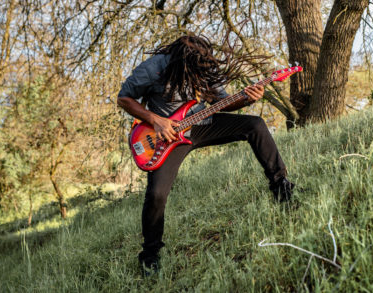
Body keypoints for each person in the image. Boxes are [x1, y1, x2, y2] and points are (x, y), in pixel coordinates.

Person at [117, 35, 294, 276]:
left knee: (255, 125)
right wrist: (156, 120)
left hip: (203, 123)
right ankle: (150, 255)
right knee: (157, 193)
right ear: (178, 61)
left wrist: (246, 99)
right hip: (167, 138)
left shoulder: (205, 66)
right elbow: (124, 99)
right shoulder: (154, 67)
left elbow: (222, 102)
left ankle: (281, 187)